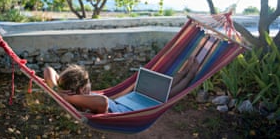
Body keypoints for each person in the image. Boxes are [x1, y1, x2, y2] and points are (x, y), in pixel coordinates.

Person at [43, 57, 199, 114]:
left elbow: (48, 70)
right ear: (83, 88)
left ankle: (185, 70)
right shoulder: (88, 103)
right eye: (88, 82)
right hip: (139, 111)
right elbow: (103, 102)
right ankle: (190, 74)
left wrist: (58, 91)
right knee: (168, 93)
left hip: (126, 102)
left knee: (162, 87)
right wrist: (67, 98)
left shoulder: (73, 95)